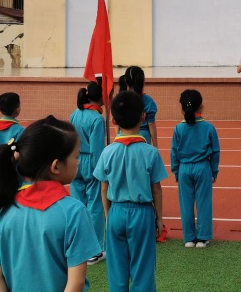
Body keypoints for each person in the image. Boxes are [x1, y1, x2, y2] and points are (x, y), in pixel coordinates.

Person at [0, 116, 100, 292]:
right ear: (55, 166)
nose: (78, 161)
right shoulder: (74, 212)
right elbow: (75, 283)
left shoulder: (4, 210)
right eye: (76, 156)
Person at [93, 91, 168, 292]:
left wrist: (108, 215)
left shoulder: (107, 152)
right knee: (143, 269)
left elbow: (103, 187)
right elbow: (156, 189)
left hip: (116, 212)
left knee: (116, 270)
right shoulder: (150, 152)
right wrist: (159, 218)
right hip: (142, 213)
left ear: (113, 120)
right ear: (143, 117)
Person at [170, 89, 221, 248]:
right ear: (201, 106)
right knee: (203, 202)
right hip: (202, 167)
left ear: (182, 109)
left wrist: (176, 171)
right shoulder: (208, 127)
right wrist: (214, 170)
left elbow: (174, 152)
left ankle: (189, 238)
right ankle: (203, 237)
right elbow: (215, 151)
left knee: (185, 204)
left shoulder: (178, 128)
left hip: (184, 168)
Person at [70, 82, 107, 265]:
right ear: (100, 96)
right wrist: (101, 171)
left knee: (78, 205)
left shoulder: (75, 114)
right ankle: (94, 250)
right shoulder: (97, 119)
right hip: (91, 162)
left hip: (75, 161)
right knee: (95, 206)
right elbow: (97, 148)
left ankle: (78, 247)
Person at [119, 66, 159, 147]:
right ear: (142, 82)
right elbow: (151, 124)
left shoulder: (120, 99)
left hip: (123, 135)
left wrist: (117, 138)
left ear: (126, 80)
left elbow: (117, 124)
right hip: (142, 137)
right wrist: (155, 146)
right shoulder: (147, 100)